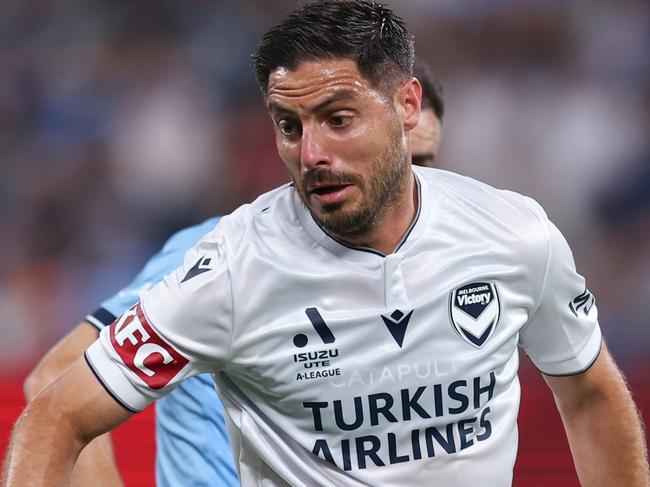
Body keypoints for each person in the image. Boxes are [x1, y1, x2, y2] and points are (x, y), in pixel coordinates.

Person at [4, 1, 648, 486]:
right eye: (290, 126)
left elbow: (589, 392)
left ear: (405, 106)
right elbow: (56, 408)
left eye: (338, 120)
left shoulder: (512, 234)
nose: (310, 153)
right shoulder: (226, 268)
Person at [18, 53, 445, 486]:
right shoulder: (216, 252)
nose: (410, 179)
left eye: (423, 164)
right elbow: (58, 376)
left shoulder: (420, 280)